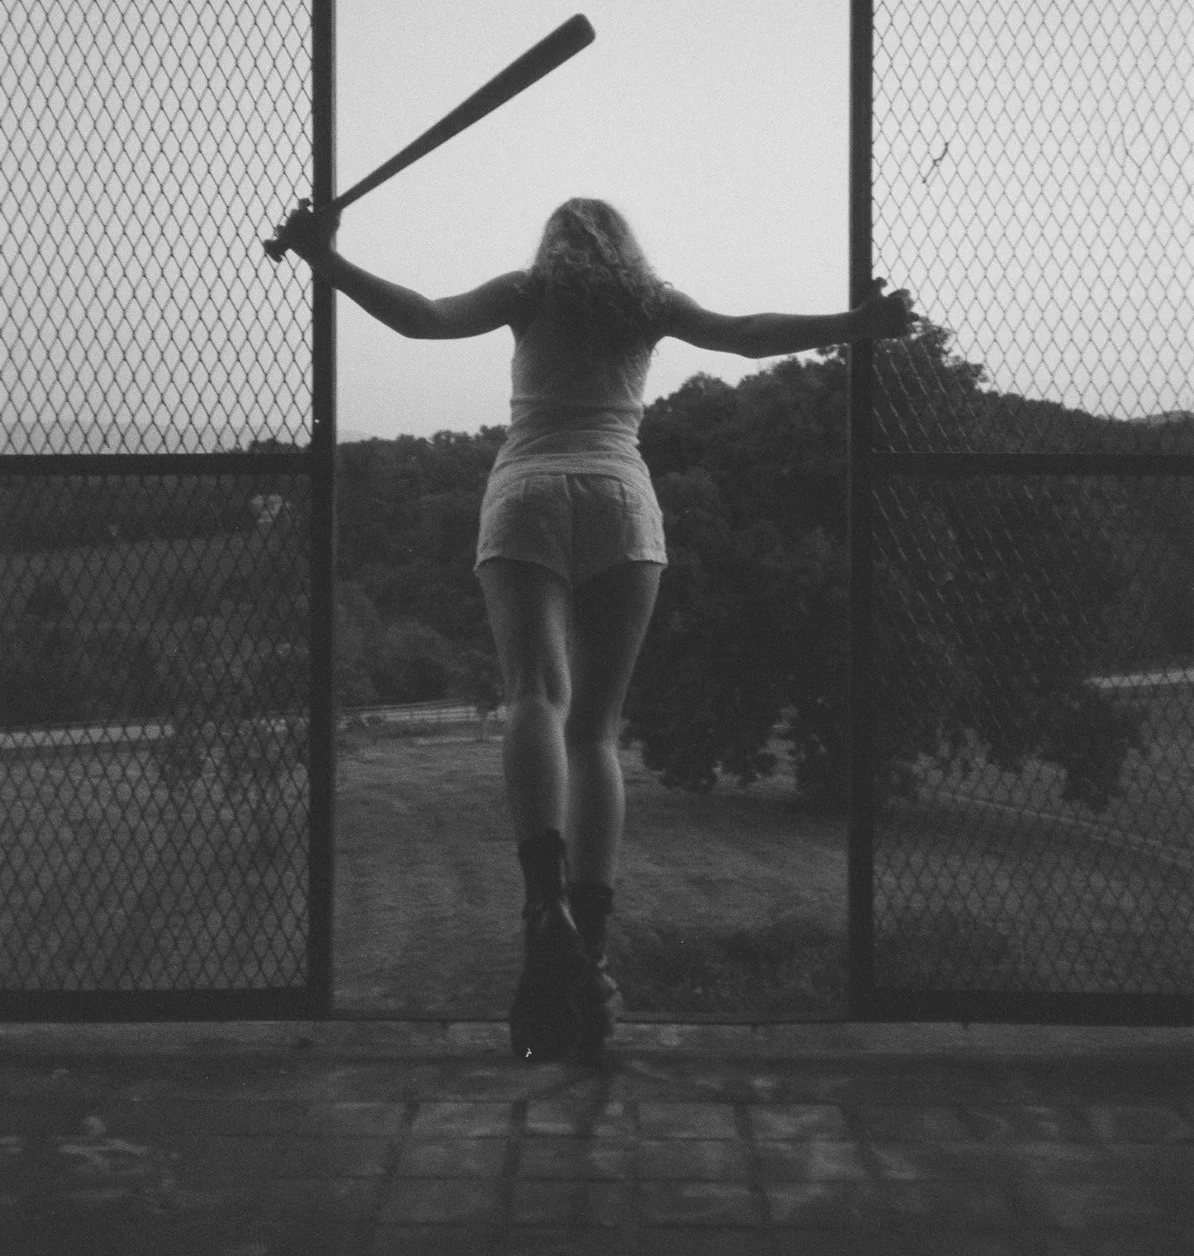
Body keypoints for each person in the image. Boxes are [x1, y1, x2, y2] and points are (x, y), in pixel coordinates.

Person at [277, 196, 914, 1062]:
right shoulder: (647, 303)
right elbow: (746, 332)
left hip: (530, 491)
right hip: (621, 500)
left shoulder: (525, 291)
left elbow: (422, 319)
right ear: (625, 249)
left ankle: (545, 905)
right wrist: (859, 323)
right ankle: (594, 937)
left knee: (532, 695)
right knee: (597, 731)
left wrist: (326, 260)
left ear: (553, 246)